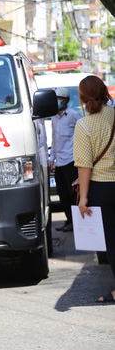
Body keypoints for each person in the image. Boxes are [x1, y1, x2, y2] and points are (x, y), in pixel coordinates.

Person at [72, 76, 115, 303]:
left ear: (82, 98)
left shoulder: (84, 125)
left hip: (102, 189)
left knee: (112, 241)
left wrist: (83, 198)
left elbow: (84, 165)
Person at [50, 87, 82, 232]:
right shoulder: (53, 117)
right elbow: (54, 139)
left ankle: (78, 223)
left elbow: (83, 133)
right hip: (59, 163)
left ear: (65, 100)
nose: (56, 102)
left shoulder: (74, 115)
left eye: (58, 99)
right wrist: (52, 158)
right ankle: (69, 220)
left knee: (73, 194)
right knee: (62, 195)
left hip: (71, 161)